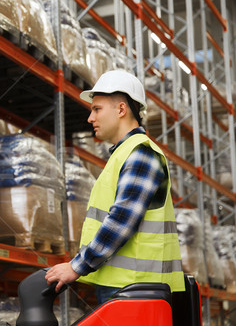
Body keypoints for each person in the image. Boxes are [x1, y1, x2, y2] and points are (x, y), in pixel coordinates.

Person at [45, 70, 185, 304]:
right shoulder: (124, 154)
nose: (90, 118)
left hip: (135, 290)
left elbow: (122, 219)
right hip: (125, 286)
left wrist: (77, 266)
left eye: (97, 109)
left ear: (121, 110)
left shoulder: (141, 153)